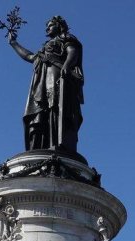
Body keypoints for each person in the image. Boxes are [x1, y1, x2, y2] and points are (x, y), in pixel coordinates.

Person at [8, 15, 84, 152]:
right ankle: (40, 147)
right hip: (40, 83)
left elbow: (73, 52)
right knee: (40, 113)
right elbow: (29, 57)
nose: (47, 28)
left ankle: (58, 143)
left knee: (55, 108)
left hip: (57, 76)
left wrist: (66, 66)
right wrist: (13, 43)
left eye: (50, 25)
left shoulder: (66, 38)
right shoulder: (44, 49)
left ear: (59, 25)